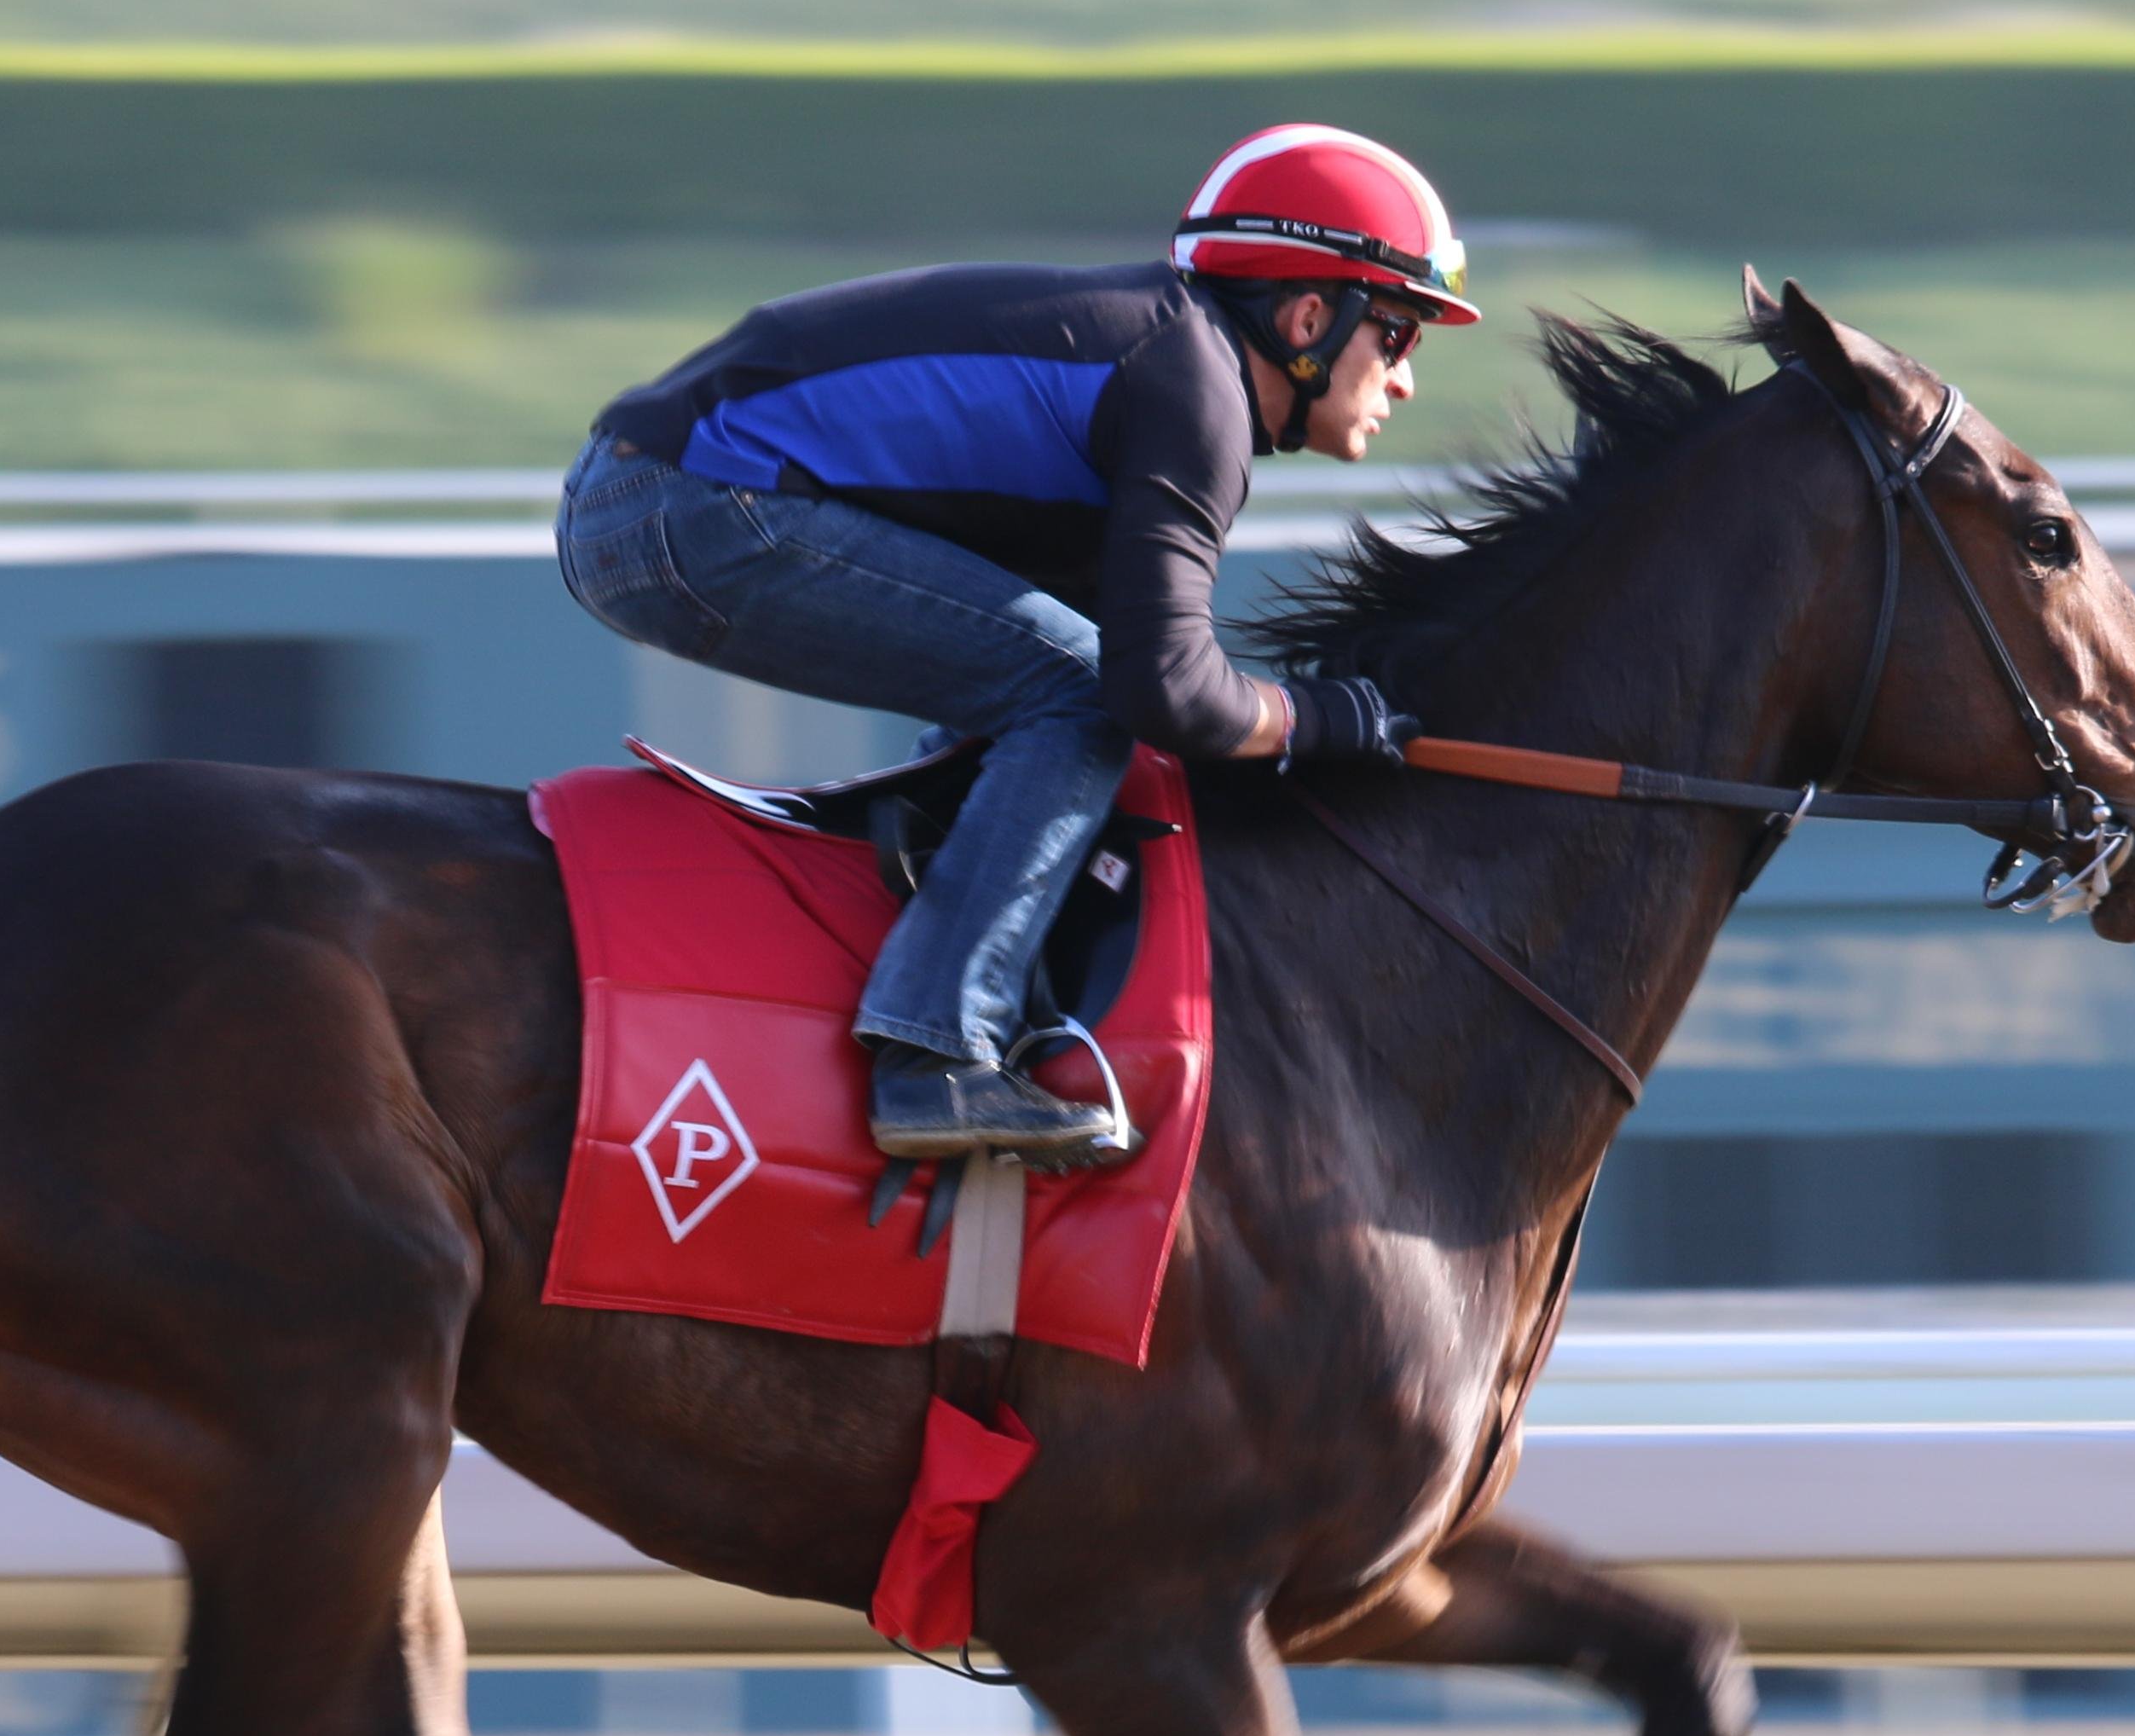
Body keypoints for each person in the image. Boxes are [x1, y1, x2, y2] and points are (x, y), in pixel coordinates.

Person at [557, 123, 1477, 1167]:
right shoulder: (1194, 391)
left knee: (1049, 671)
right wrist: (1319, 717)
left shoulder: (1172, 358)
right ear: (1311, 316)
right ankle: (935, 1054)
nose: (1403, 380)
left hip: (652, 493)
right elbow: (1165, 690)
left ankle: (938, 903)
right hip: (689, 508)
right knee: (1081, 697)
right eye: (1397, 337)